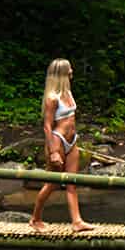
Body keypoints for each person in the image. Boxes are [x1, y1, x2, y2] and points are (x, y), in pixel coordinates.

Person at [29, 58, 94, 233]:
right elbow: (47, 126)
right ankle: (35, 219)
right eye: (69, 69)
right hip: (57, 142)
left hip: (72, 142)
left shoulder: (68, 92)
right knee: (52, 183)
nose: (72, 71)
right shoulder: (52, 98)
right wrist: (53, 152)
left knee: (72, 182)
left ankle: (77, 221)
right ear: (62, 73)